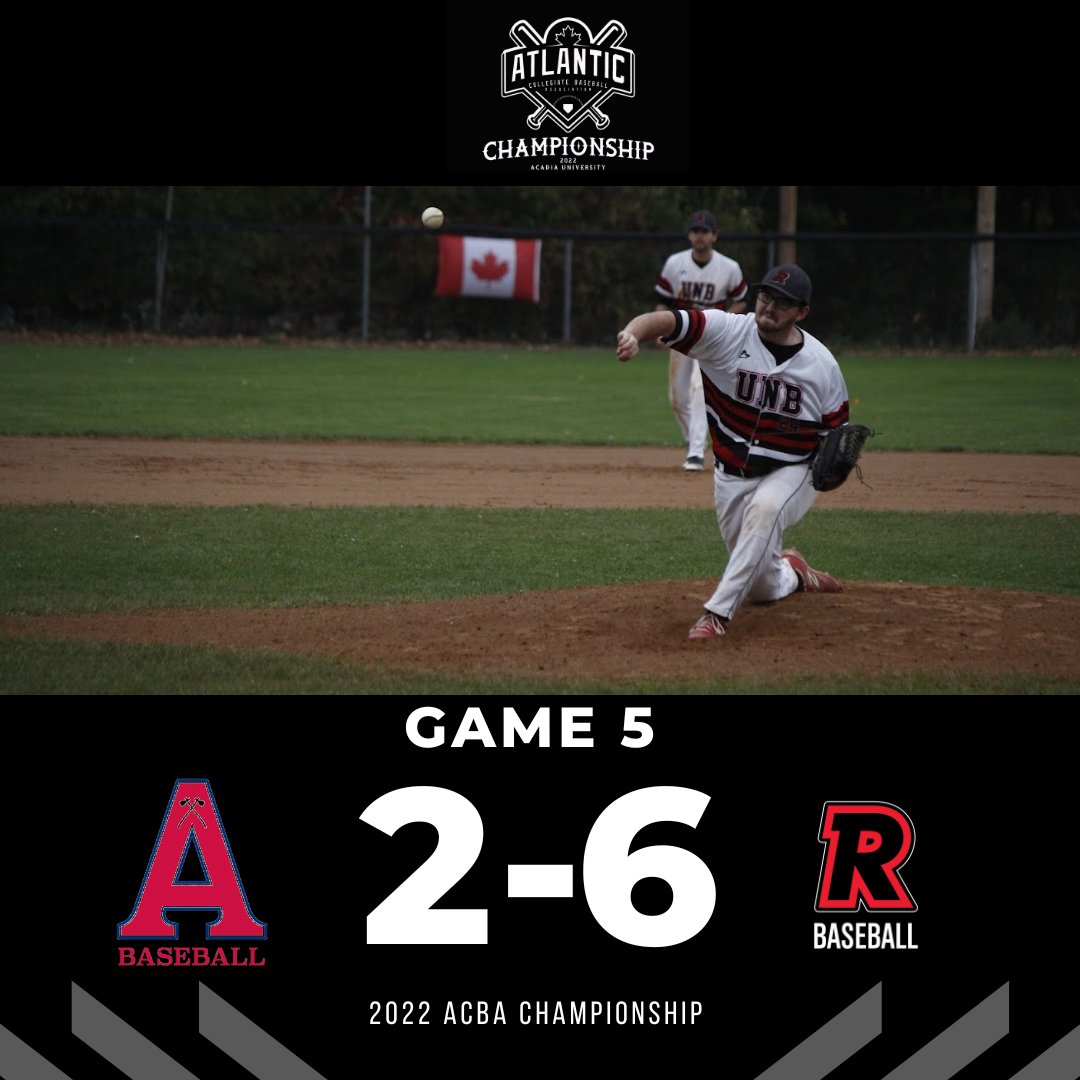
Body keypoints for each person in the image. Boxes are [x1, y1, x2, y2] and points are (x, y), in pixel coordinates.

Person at [616, 263, 848, 640]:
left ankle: (716, 615)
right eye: (766, 296)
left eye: (782, 303)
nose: (769, 307)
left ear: (802, 312)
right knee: (763, 585)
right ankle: (794, 571)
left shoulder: (822, 366)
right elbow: (667, 322)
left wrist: (833, 467)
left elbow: (836, 433)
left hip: (793, 469)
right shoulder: (727, 331)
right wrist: (632, 333)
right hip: (730, 473)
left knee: (766, 508)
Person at [654, 210, 748, 472]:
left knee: (699, 388)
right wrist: (662, 326)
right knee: (677, 398)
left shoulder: (729, 267)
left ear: (714, 236)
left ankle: (695, 451)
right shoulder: (675, 263)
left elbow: (741, 298)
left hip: (711, 337)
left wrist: (727, 321)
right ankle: (694, 440)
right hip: (682, 334)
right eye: (695, 231)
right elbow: (663, 300)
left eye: (705, 231)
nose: (700, 236)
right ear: (689, 235)